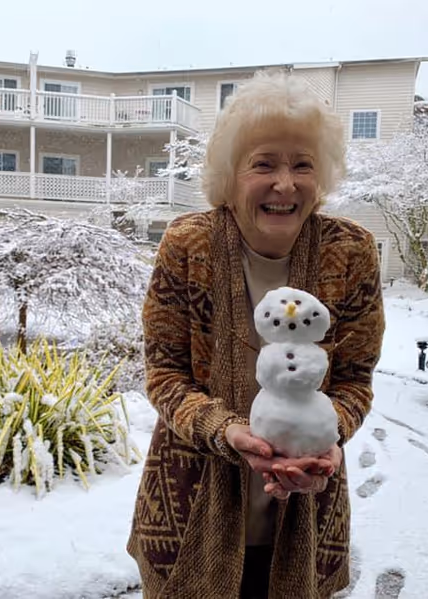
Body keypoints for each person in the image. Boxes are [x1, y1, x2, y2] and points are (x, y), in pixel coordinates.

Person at [126, 69, 385, 599]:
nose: (285, 184)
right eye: (263, 163)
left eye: (302, 164)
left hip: (308, 507)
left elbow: (355, 378)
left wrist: (324, 441)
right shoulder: (188, 245)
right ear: (230, 173)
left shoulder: (351, 252)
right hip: (189, 505)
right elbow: (165, 373)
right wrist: (227, 432)